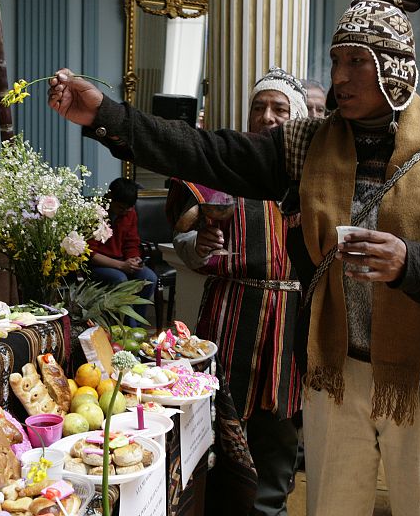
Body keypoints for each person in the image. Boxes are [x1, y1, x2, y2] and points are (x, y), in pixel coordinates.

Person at [47, 0, 420, 515]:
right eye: (336, 60)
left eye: (357, 63)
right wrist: (108, 116)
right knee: (331, 506)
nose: (340, 77)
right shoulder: (308, 145)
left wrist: (412, 262)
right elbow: (209, 152)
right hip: (331, 371)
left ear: (396, 68)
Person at [168, 66, 305, 515]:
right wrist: (198, 244)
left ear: (298, 117)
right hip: (229, 316)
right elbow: (189, 246)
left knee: (278, 432)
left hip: (289, 321)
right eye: (259, 107)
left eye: (279, 109)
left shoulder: (315, 175)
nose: (267, 116)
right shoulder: (223, 166)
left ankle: (270, 510)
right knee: (217, 428)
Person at [87, 177, 157, 327]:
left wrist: (134, 259)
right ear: (110, 197)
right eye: (121, 207)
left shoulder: (129, 213)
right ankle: (129, 329)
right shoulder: (94, 212)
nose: (125, 211)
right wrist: (121, 265)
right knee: (120, 279)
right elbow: (89, 253)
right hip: (98, 264)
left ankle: (138, 326)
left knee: (149, 277)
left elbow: (132, 242)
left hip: (122, 261)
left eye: (129, 208)